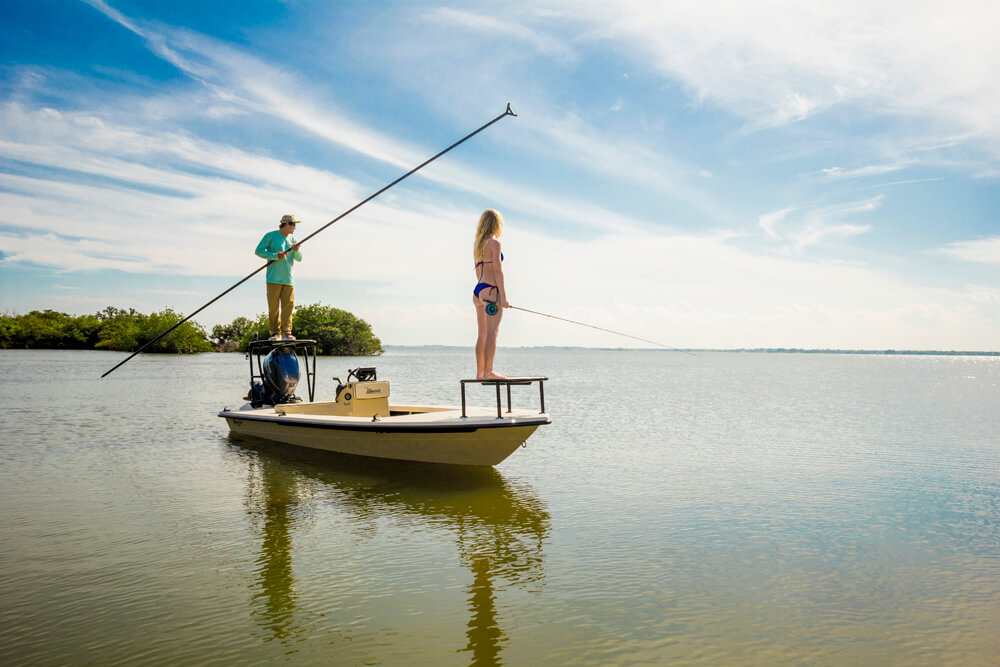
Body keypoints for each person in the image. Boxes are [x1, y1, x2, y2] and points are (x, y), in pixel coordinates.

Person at [472, 209, 509, 379]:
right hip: (491, 292)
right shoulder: (495, 244)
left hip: (479, 291)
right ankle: (488, 372)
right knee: (492, 332)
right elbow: (498, 272)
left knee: (482, 334)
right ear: (496, 224)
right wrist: (503, 297)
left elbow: (479, 272)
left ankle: (480, 373)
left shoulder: (478, 244)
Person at [255, 214, 302, 341]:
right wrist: (275, 255)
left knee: (288, 306)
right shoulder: (270, 236)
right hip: (273, 278)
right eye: (293, 225)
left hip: (289, 279)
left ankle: (287, 332)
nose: (295, 228)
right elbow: (258, 251)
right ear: (286, 224)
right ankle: (275, 333)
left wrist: (296, 250)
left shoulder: (293, 240)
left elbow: (299, 258)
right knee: (273, 307)